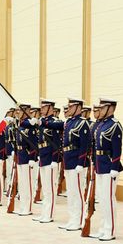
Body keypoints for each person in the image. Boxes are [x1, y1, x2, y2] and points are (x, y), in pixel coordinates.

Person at [40, 97, 90, 231]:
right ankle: (72, 219)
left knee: (77, 192)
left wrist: (81, 162)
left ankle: (78, 221)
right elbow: (53, 125)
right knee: (71, 193)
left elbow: (84, 145)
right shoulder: (68, 122)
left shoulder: (82, 123)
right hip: (68, 160)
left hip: (76, 162)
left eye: (71, 106)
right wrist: (41, 121)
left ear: (78, 107)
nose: (69, 108)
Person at [90, 98, 123, 241]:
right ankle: (103, 227)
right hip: (100, 165)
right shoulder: (101, 125)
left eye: (103, 108)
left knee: (108, 199)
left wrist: (114, 167)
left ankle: (110, 230)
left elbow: (117, 148)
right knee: (102, 199)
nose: (100, 110)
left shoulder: (115, 125)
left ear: (111, 108)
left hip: (110, 166)